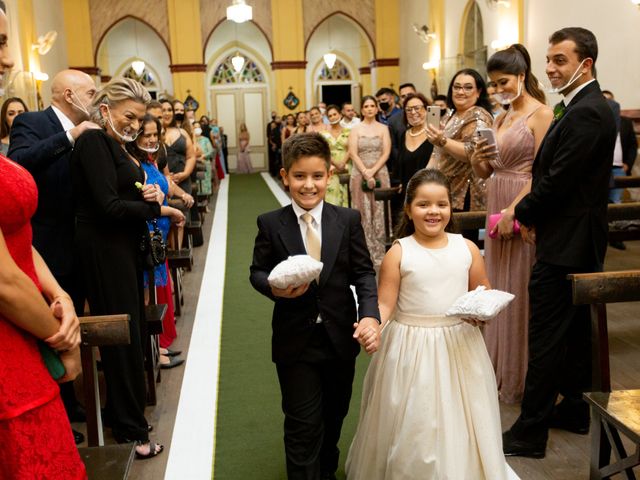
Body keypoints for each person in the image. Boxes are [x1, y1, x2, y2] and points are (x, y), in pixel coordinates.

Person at [346, 169, 507, 480]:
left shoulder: (467, 248)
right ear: (409, 209)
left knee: (459, 413)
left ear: (451, 207)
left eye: (441, 204)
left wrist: (481, 308)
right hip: (410, 347)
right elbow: (385, 303)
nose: (433, 211)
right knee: (415, 419)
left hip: (458, 344)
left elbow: (482, 288)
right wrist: (372, 325)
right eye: (423, 204)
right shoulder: (399, 251)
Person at [503, 27, 617, 458]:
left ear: (584, 64)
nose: (549, 68)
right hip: (567, 235)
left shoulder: (589, 111)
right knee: (570, 334)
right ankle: (572, 409)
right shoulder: (578, 106)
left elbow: (558, 181)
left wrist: (521, 214)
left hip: (570, 240)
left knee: (546, 334)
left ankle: (529, 432)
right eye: (547, 60)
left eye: (559, 60)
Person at [249, 132, 381, 480]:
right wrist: (275, 290)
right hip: (295, 340)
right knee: (302, 424)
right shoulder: (270, 223)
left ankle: (325, 469)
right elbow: (257, 271)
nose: (308, 185)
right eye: (299, 176)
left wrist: (369, 314)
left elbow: (364, 273)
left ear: (329, 175)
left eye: (317, 176)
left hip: (340, 337)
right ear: (285, 176)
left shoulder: (347, 220)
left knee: (333, 417)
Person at [0, 4, 86, 476]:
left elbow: (16, 237)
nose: (10, 60)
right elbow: (3, 279)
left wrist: (58, 293)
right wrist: (62, 341)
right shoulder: (34, 126)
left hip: (28, 313)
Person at [71, 77, 165, 459]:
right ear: (106, 109)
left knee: (132, 333)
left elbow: (119, 196)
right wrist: (152, 207)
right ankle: (131, 432)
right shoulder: (93, 142)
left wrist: (150, 192)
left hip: (120, 249)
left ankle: (122, 414)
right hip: (104, 250)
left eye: (139, 119)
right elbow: (107, 207)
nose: (134, 125)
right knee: (124, 338)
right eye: (129, 116)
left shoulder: (113, 146)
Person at [9, 68, 100, 443]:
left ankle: (73, 404)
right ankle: (57, 410)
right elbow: (22, 161)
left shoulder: (95, 130)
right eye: (90, 93)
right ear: (67, 94)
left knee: (75, 315)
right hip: (46, 244)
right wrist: (70, 136)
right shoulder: (33, 122)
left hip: (83, 243)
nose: (96, 100)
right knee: (51, 328)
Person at [469, 44, 553, 404]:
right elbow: (485, 173)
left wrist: (515, 211)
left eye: (503, 82)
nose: (498, 89)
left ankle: (520, 376)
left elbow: (544, 171)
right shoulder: (500, 118)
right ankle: (496, 367)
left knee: (519, 286)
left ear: (521, 77)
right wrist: (477, 156)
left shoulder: (542, 114)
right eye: (493, 84)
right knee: (497, 282)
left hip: (522, 202)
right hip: (496, 197)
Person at [127, 114, 186, 369]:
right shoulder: (131, 162)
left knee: (154, 295)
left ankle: (158, 346)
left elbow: (164, 188)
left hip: (158, 236)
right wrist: (171, 211)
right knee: (146, 297)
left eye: (154, 134)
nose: (151, 139)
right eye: (146, 135)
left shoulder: (150, 160)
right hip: (145, 237)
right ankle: (152, 355)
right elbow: (142, 205)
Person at [426, 68, 493, 243]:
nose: (461, 91)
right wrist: (423, 179)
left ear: (478, 92)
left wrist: (442, 140)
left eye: (467, 87)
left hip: (466, 193)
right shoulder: (450, 114)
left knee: (462, 245)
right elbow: (437, 152)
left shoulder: (478, 115)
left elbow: (472, 152)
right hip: (446, 188)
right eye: (456, 87)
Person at [348, 95, 391, 267]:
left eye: (372, 105)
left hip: (380, 172)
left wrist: (373, 171)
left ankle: (380, 251)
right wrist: (366, 172)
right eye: (366, 106)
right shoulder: (355, 129)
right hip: (359, 172)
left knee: (379, 211)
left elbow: (386, 152)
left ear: (377, 108)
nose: (369, 108)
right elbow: (352, 152)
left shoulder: (383, 128)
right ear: (362, 109)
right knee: (362, 211)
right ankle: (362, 253)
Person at [161, 99, 195, 248]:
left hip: (182, 180)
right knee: (167, 219)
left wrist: (185, 174)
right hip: (164, 181)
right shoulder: (154, 133)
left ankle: (178, 254)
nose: (167, 113)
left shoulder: (182, 132)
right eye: (164, 110)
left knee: (180, 220)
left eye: (170, 110)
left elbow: (191, 156)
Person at [394, 92, 434, 195]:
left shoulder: (434, 133)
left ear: (426, 109)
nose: (413, 112)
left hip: (430, 190)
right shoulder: (404, 135)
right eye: (408, 109)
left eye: (417, 108)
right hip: (407, 193)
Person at [320, 104, 351, 207]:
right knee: (332, 199)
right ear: (327, 118)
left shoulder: (349, 131)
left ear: (340, 115)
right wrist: (336, 164)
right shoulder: (323, 134)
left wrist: (343, 163)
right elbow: (323, 152)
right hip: (331, 168)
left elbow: (352, 149)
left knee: (348, 198)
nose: (333, 117)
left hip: (347, 167)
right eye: (330, 116)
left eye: (335, 114)